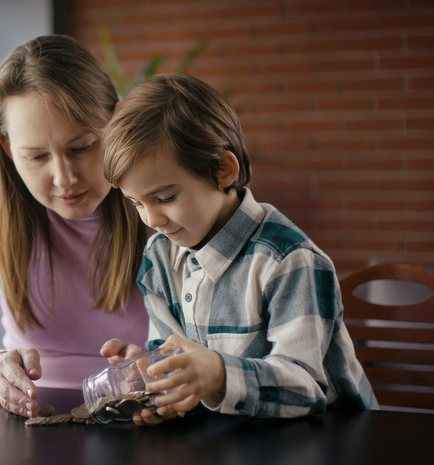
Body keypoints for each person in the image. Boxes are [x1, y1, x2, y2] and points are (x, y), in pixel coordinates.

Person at [100, 73, 377, 424]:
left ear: (224, 170)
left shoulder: (290, 261)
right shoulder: (159, 260)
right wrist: (153, 379)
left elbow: (306, 388)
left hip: (330, 437)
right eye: (137, 203)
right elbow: (172, 359)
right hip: (232, 437)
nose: (152, 219)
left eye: (165, 197)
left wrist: (219, 375)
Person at [0, 34, 149, 418]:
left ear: (115, 121)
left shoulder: (161, 192)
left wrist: (158, 364)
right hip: (36, 416)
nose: (65, 178)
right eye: (37, 157)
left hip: (147, 414)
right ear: (7, 146)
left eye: (82, 147)